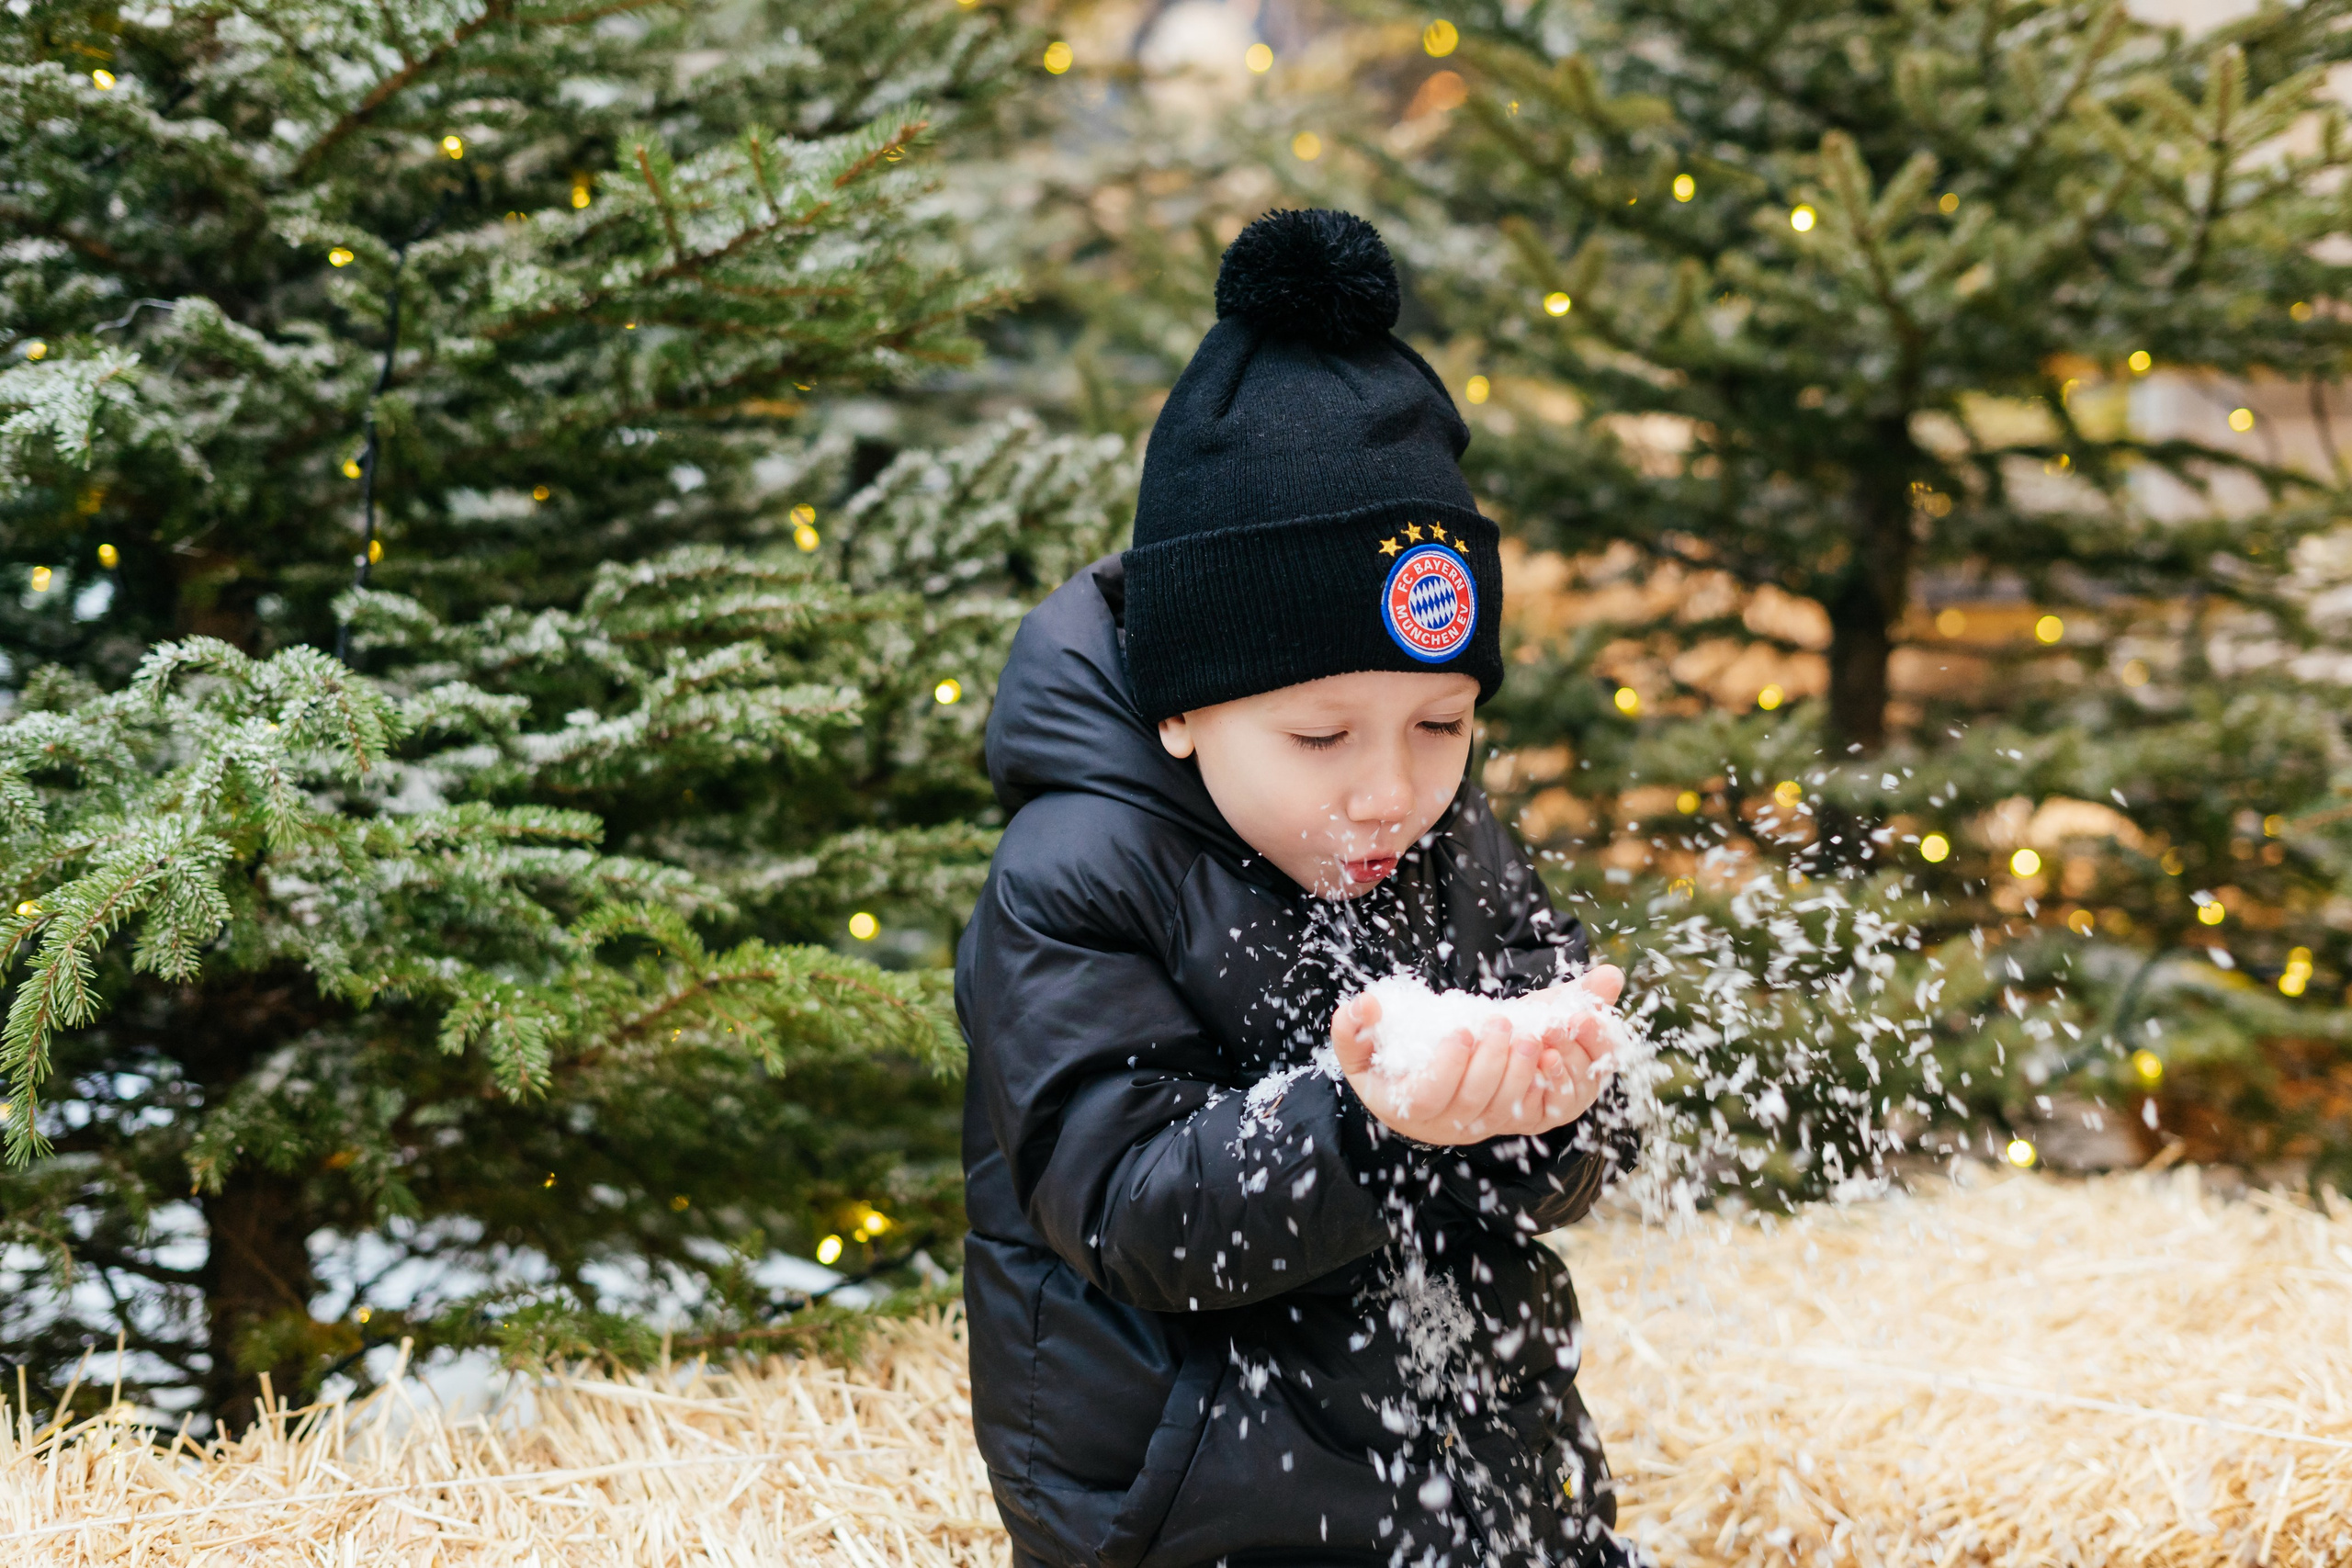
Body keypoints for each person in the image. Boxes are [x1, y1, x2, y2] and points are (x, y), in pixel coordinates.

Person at [956, 209, 1645, 1568]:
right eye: (1321, 737)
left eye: (1440, 725)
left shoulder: (1449, 841)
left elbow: (1560, 1168)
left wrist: (1559, 1097)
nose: (1388, 789)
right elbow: (1130, 1217)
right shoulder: (1078, 875)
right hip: (1204, 1506)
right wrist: (1360, 1118)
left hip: (1487, 1479)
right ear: (1181, 709)